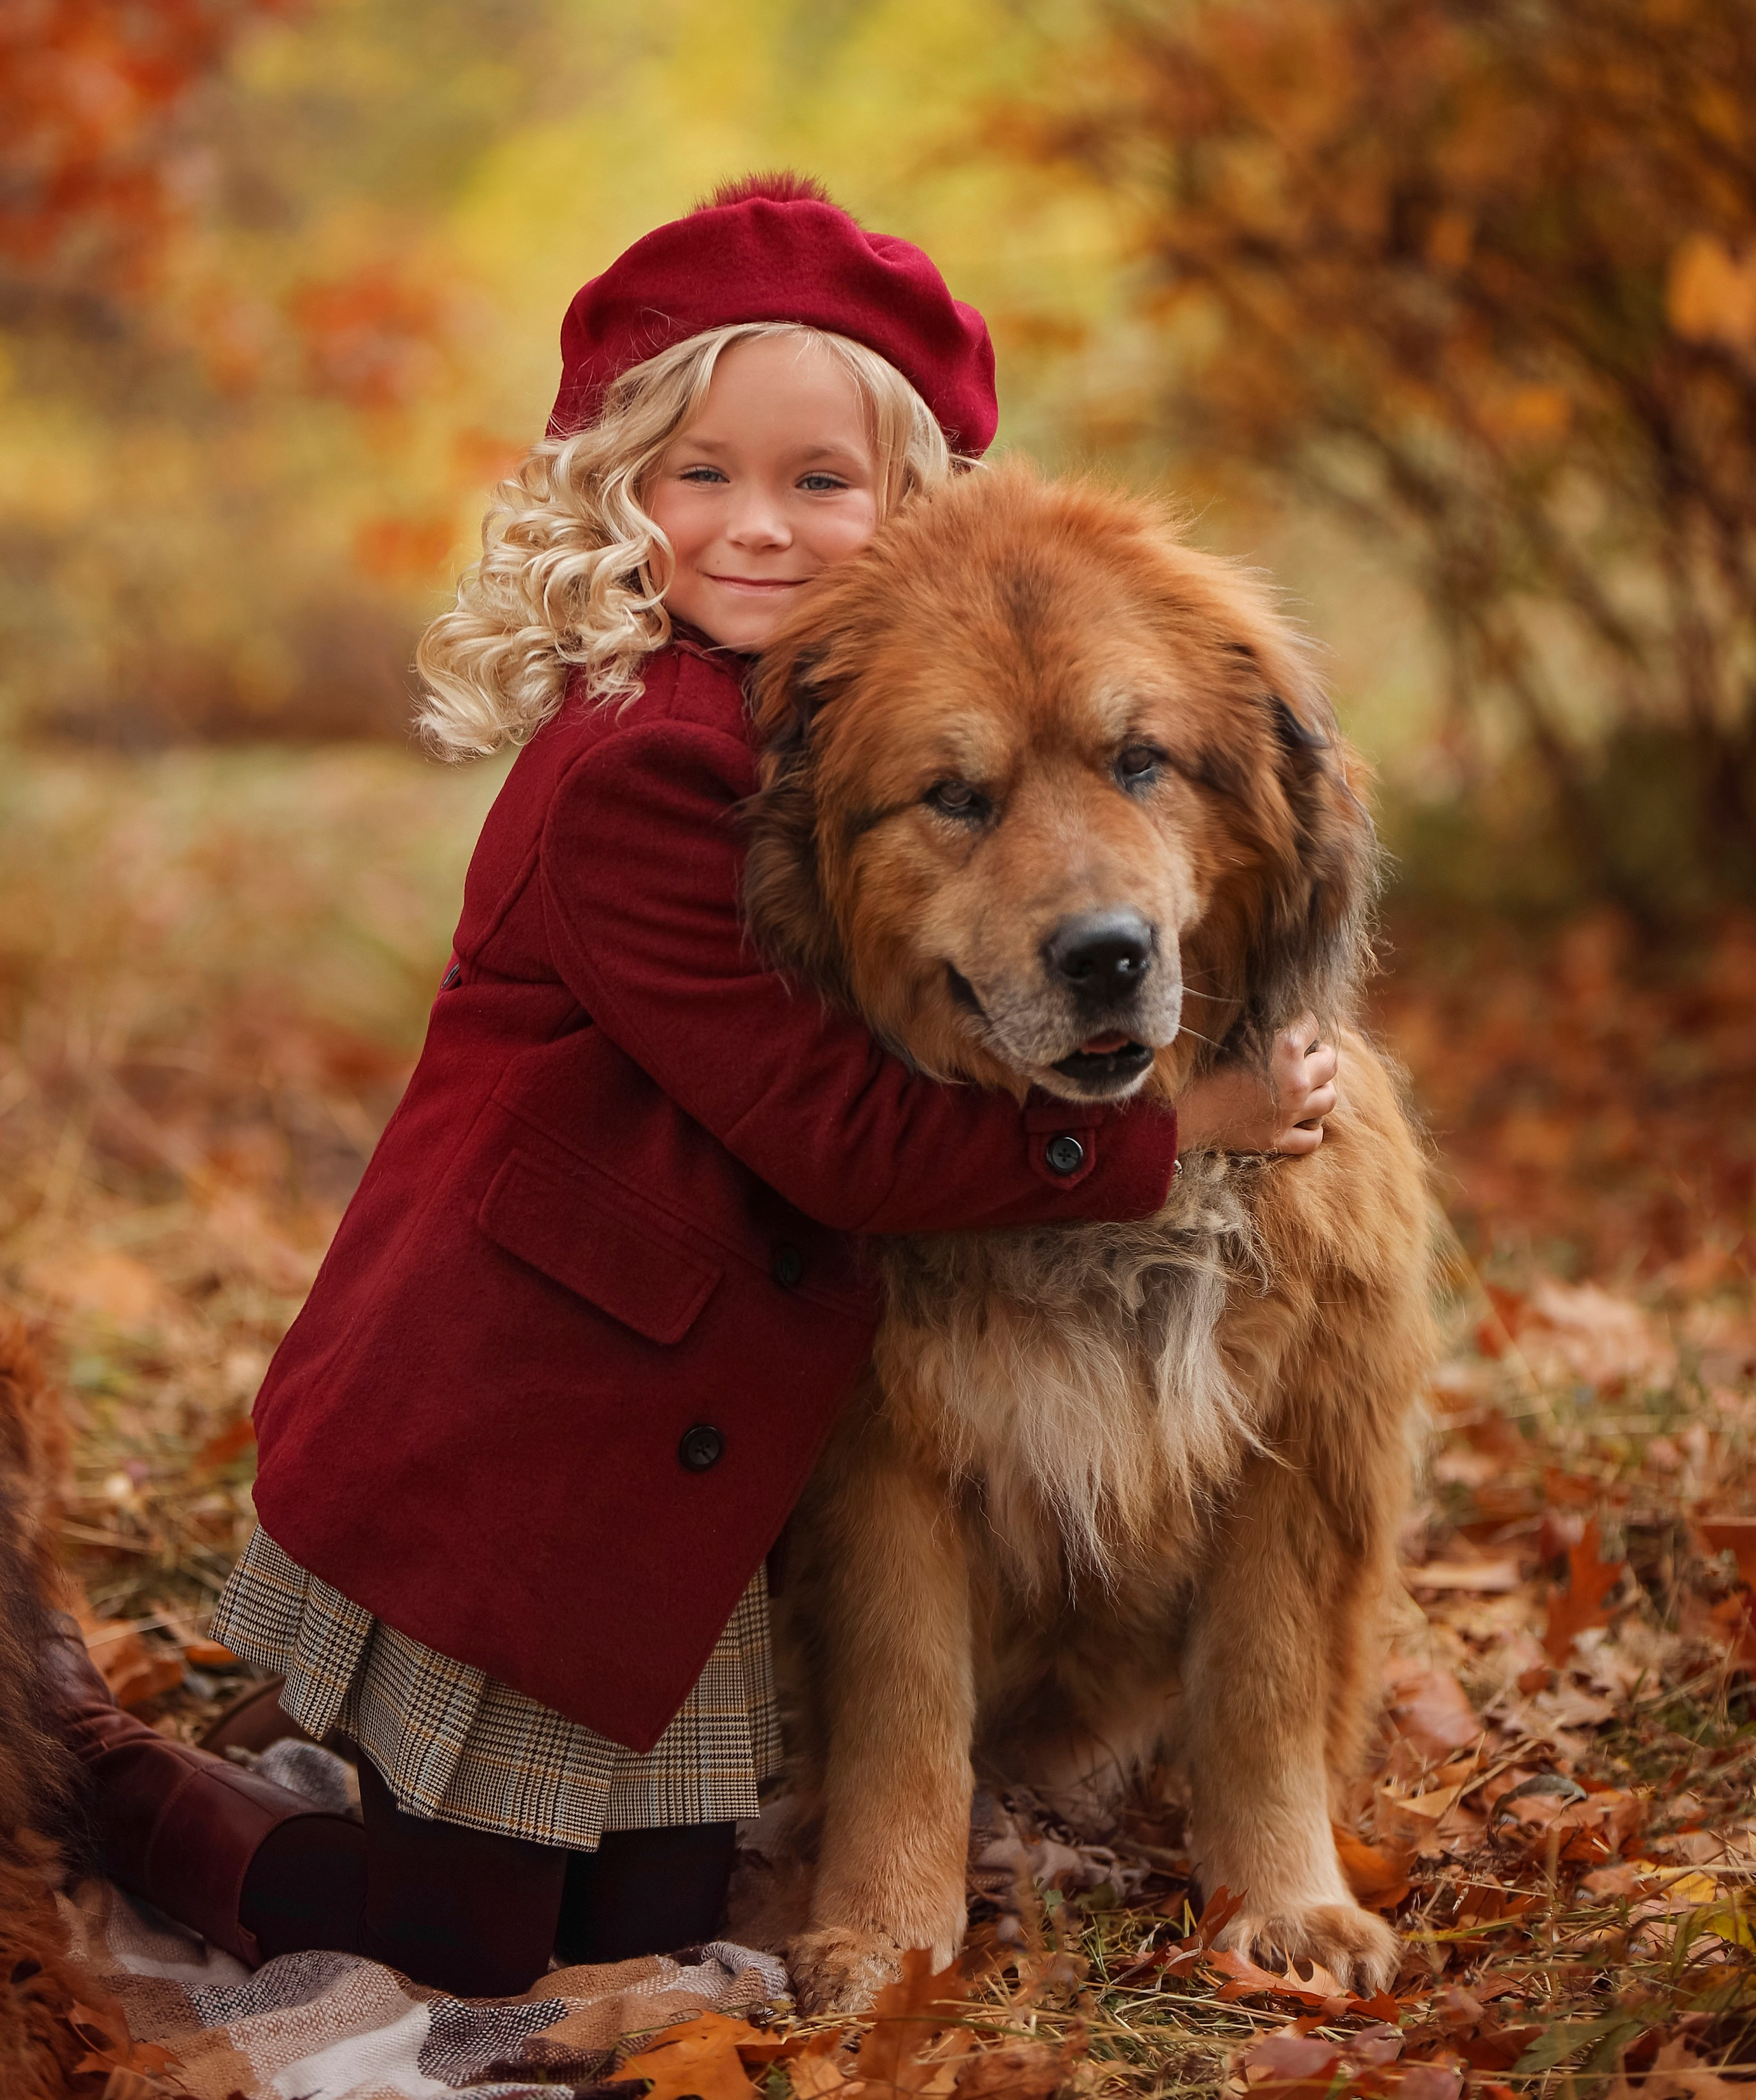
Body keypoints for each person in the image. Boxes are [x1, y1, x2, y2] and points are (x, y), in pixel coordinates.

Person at [52, 174, 1337, 1992]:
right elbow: (842, 1134)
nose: (761, 530)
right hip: (534, 1427)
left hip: (680, 1442)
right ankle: (114, 1788)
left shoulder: (796, 720)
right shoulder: (642, 777)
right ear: (618, 498)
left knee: (653, 1922)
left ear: (915, 512)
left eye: (823, 484)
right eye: (701, 479)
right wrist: (1179, 1128)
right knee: (471, 1937)